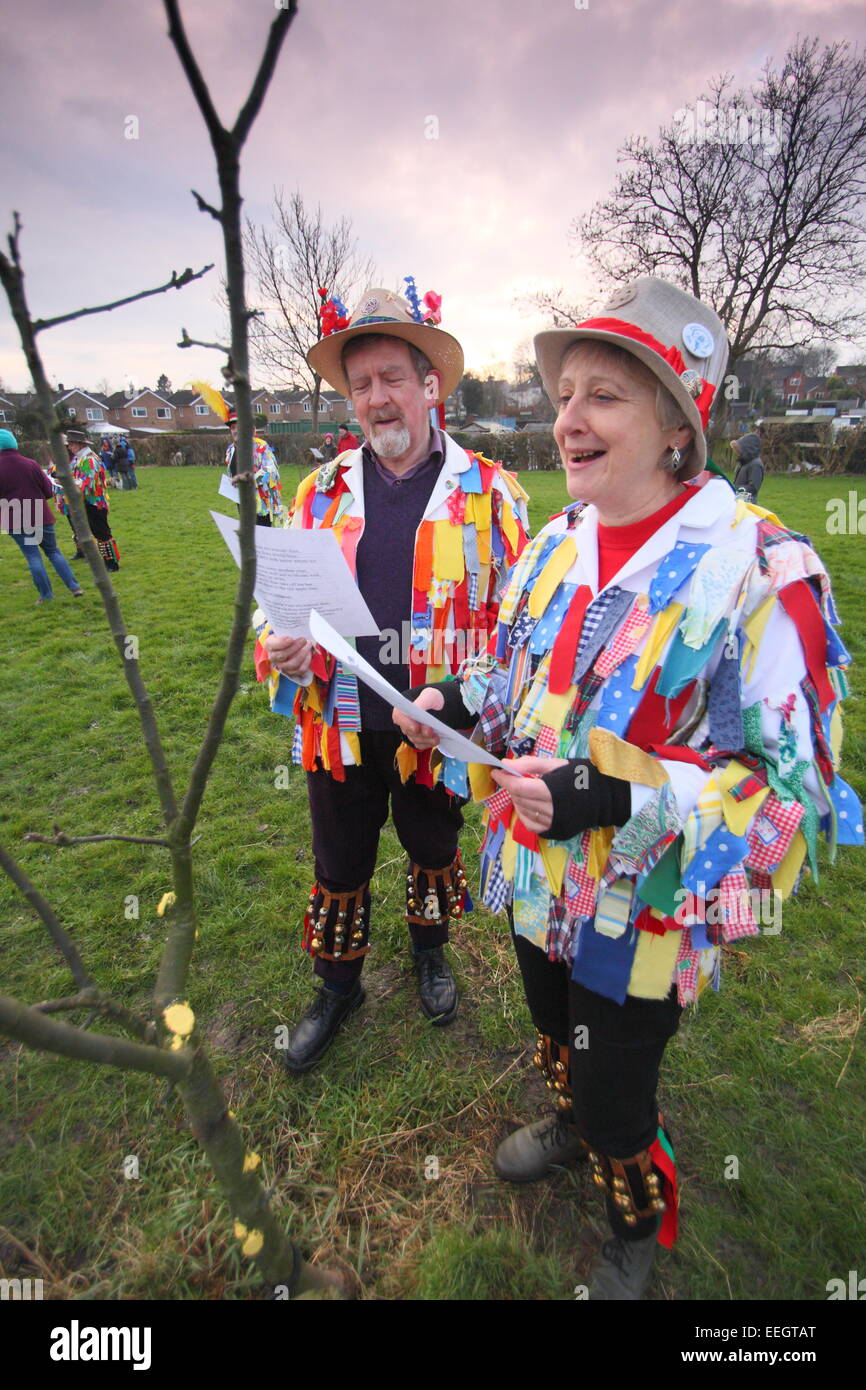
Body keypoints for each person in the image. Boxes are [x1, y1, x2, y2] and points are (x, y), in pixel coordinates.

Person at [393, 276, 862, 1299]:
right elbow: (506, 671)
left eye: (601, 395)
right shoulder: (553, 545)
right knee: (555, 1031)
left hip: (642, 908)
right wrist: (449, 703)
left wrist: (606, 795)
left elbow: (782, 797)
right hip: (532, 878)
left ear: (674, 425)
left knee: (618, 1089)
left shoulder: (760, 571)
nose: (566, 418)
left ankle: (634, 1215)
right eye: (564, 395)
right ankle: (572, 1120)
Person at [255, 285, 530, 1072]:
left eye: (391, 380)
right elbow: (281, 604)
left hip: (432, 732)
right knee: (336, 859)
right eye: (361, 384)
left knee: (432, 846)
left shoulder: (492, 499)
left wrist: (458, 698)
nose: (376, 399)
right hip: (338, 725)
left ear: (431, 386)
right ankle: (336, 986)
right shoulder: (319, 492)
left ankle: (429, 954)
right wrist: (278, 643)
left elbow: (520, 630)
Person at [0, 429, 83, 602]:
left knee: (33, 556)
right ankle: (74, 587)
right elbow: (47, 490)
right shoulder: (30, 464)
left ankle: (46, 595)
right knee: (53, 551)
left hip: (14, 516)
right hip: (37, 512)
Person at [64, 429, 120, 571]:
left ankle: (112, 563)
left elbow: (86, 483)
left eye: (71, 444)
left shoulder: (89, 460)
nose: (69, 447)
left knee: (102, 533)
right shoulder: (80, 459)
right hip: (89, 502)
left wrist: (69, 483)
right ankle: (107, 561)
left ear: (79, 444)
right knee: (98, 532)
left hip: (95, 502)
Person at [225, 409, 284, 525]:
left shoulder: (261, 446)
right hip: (242, 503)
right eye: (233, 428)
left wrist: (250, 479)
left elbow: (273, 472)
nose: (236, 431)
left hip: (261, 506)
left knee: (262, 541)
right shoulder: (230, 450)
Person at [731, 431, 764, 502]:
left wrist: (734, 488)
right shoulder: (744, 462)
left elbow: (753, 488)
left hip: (748, 503)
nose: (737, 452)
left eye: (740, 449)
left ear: (747, 448)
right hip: (740, 500)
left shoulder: (756, 464)